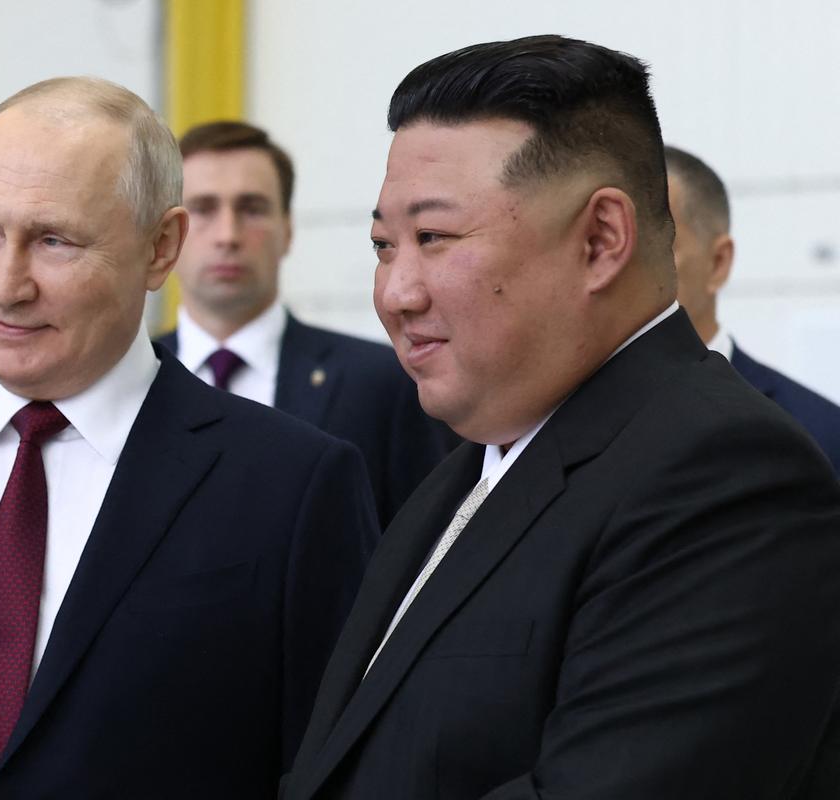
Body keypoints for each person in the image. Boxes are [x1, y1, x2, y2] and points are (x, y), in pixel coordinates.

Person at [0, 77, 377, 799]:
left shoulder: (293, 485)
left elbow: (333, 773)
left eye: (54, 241)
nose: (6, 285)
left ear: (160, 247)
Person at [283, 35, 840, 800]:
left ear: (601, 239)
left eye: (435, 238)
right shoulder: (467, 473)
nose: (395, 293)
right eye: (384, 244)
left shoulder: (726, 479)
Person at [157, 121, 460, 528]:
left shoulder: (384, 381)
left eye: (252, 209)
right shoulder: (132, 380)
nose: (228, 235)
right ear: (169, 234)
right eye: (204, 209)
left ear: (288, 230)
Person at [666, 144, 840, 472]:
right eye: (600, 245)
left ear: (718, 263)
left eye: (655, 247)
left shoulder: (818, 435)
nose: (615, 270)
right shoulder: (561, 421)